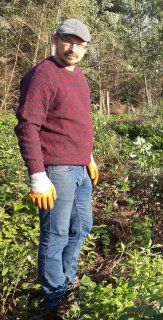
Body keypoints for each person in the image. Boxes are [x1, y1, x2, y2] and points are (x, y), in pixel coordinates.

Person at [14, 19, 98, 319]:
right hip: (56, 170)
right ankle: (55, 301)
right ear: (56, 39)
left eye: (80, 44)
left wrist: (87, 155)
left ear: (86, 48)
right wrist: (37, 175)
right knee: (56, 235)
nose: (73, 48)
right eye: (68, 40)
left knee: (82, 227)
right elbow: (28, 126)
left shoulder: (80, 78)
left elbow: (77, 122)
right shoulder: (43, 75)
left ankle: (66, 281)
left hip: (80, 169)